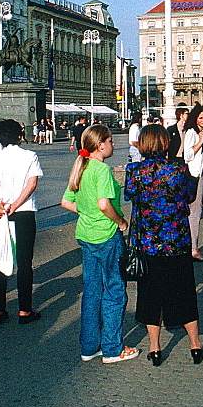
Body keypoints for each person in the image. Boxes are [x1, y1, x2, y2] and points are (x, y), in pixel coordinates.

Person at [123, 125, 203, 365]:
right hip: (177, 241)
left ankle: (155, 348)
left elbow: (130, 195)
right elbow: (190, 195)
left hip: (148, 243)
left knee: (150, 295)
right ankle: (195, 345)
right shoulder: (178, 170)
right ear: (166, 144)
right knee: (184, 292)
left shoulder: (134, 171)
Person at [60, 124, 139, 363]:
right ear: (100, 145)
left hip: (85, 235)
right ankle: (113, 348)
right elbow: (104, 204)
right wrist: (121, 222)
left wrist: (87, 213)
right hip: (106, 235)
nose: (114, 144)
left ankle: (89, 346)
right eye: (111, 141)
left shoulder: (81, 168)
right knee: (115, 291)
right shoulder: (102, 170)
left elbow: (66, 202)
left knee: (92, 291)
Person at [0, 119, 43, 325]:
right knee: (24, 262)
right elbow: (32, 184)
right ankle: (24, 310)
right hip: (23, 213)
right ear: (19, 136)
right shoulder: (29, 156)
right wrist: (16, 203)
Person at [183, 104, 203, 262]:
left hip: (201, 174)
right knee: (195, 212)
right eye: (201, 117)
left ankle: (191, 246)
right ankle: (193, 248)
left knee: (195, 211)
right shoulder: (191, 132)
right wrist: (200, 142)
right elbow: (187, 155)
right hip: (193, 176)